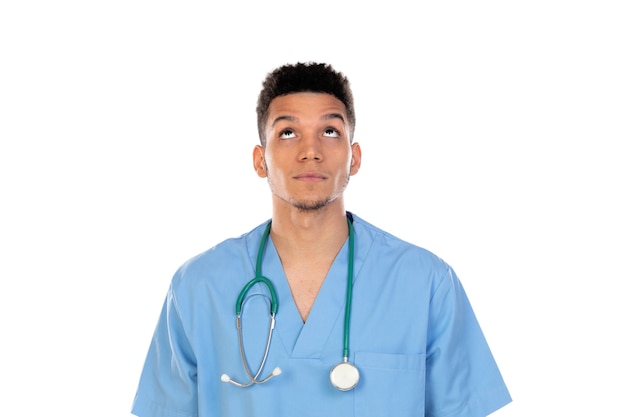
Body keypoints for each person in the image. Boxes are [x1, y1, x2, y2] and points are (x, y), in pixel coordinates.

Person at [131, 62, 512, 417]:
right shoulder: (200, 286)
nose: (310, 151)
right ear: (260, 160)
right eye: (288, 132)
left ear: (354, 157)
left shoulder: (425, 281)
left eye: (330, 131)